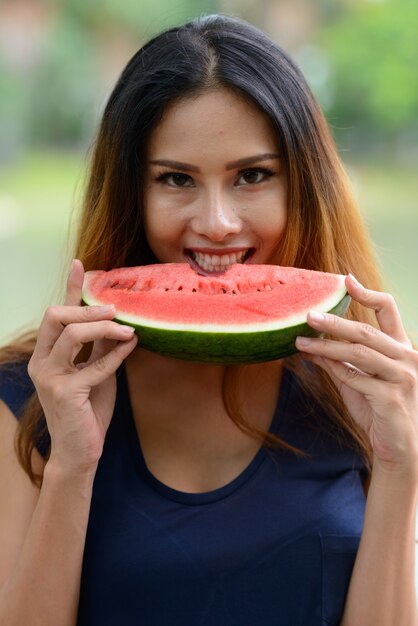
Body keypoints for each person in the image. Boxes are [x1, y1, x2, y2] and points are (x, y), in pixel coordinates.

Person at [0, 13, 417, 626]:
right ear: (129, 195)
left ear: (302, 185)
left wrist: (400, 467)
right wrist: (71, 464)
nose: (217, 222)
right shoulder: (27, 398)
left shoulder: (374, 395)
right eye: (176, 179)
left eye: (253, 175)